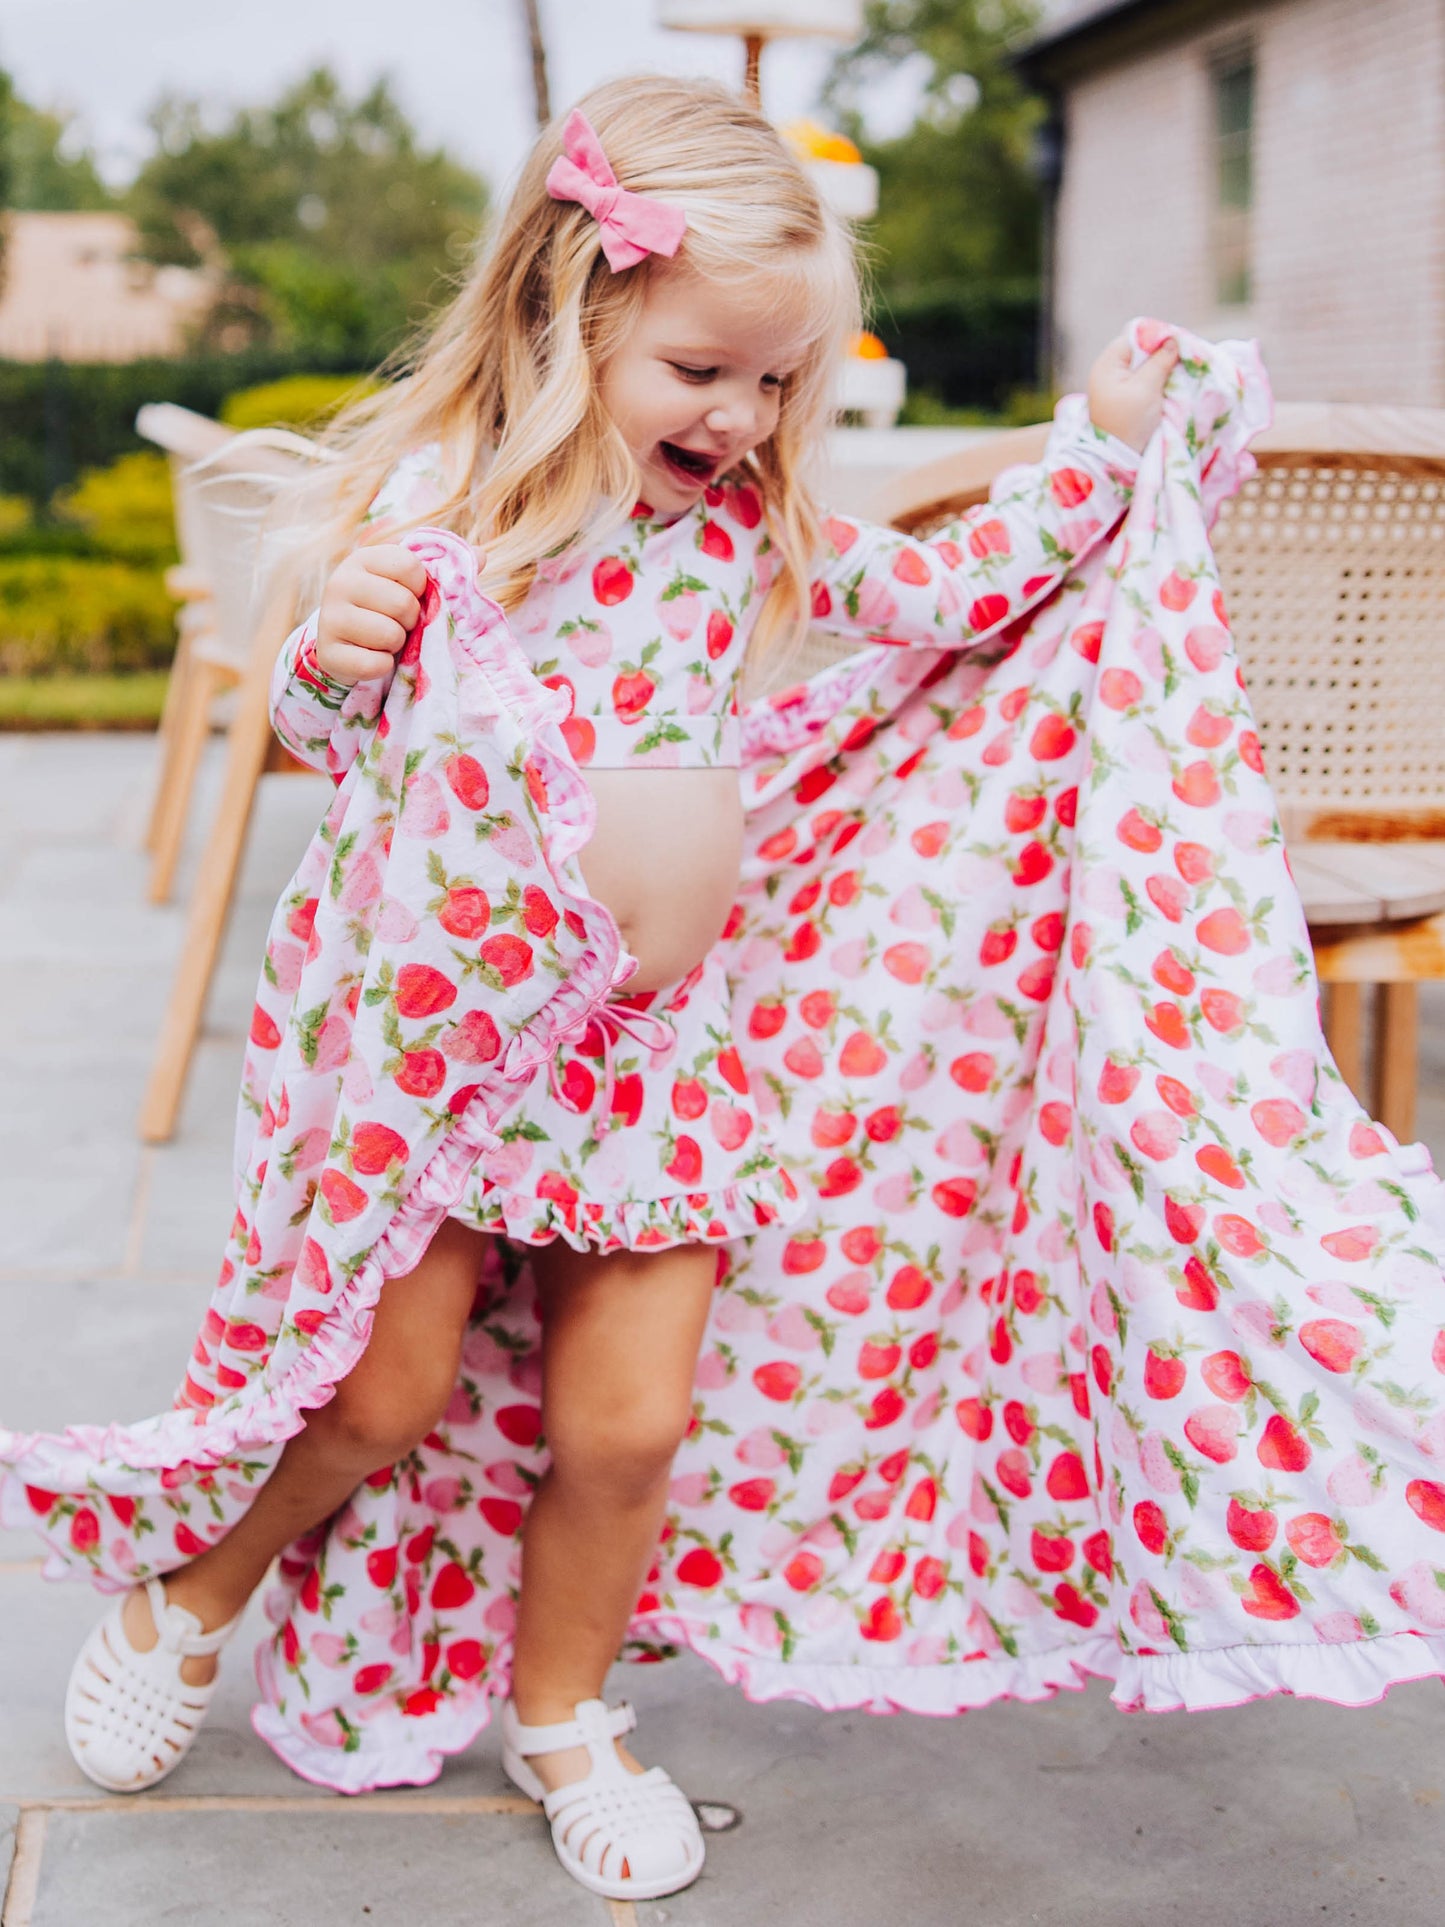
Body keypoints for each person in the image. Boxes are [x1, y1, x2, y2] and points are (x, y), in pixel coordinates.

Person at [53, 76, 1174, 1903]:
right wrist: (334, 651)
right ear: (572, 314)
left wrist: (1103, 451)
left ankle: (564, 1710)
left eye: (775, 383)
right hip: (450, 1053)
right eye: (701, 372)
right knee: (375, 1393)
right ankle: (194, 1589)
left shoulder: (753, 534)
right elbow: (340, 740)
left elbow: (951, 590)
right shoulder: (448, 510)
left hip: (655, 1062)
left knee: (632, 1421)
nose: (739, 418)